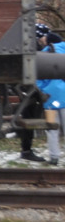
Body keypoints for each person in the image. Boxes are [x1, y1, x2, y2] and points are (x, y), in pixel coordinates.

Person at [34, 23, 64, 165]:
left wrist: (42, 90)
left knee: (52, 129)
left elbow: (39, 78)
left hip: (51, 99)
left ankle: (54, 157)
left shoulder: (45, 54)